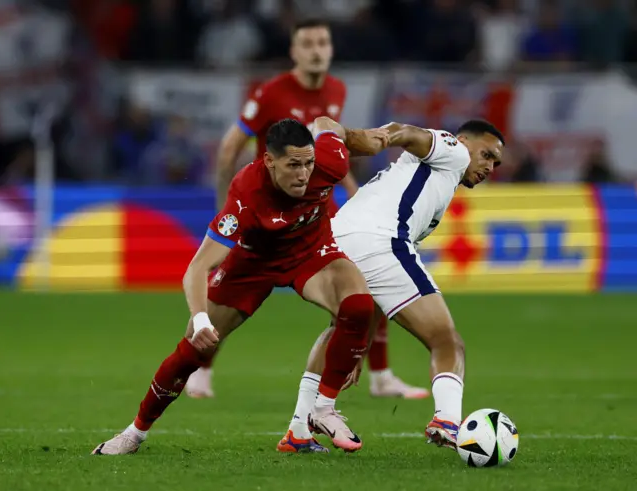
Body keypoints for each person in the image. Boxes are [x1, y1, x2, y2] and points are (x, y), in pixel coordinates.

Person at [92, 118, 390, 455]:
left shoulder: (329, 162)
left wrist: (366, 139)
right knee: (193, 349)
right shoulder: (247, 194)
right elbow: (197, 267)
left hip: (311, 252)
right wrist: (201, 319)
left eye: (308, 164)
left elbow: (325, 125)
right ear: (269, 161)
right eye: (293, 165)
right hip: (252, 266)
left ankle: (322, 410)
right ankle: (134, 433)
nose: (304, 174)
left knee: (360, 304)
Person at [188, 18, 427, 400]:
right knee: (231, 292)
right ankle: (201, 369)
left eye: (322, 43)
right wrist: (226, 211)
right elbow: (231, 148)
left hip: (315, 208)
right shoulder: (270, 93)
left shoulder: (336, 90)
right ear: (294, 52)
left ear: (330, 49)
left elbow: (332, 156)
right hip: (265, 214)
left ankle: (379, 374)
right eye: (308, 43)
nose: (316, 50)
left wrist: (356, 195)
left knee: (369, 274)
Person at [279, 120, 505, 451]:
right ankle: (447, 420)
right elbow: (409, 132)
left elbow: (374, 294)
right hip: (379, 240)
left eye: (496, 163)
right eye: (486, 155)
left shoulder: (430, 178)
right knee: (446, 341)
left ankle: (299, 429)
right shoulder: (452, 150)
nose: (489, 166)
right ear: (463, 141)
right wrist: (377, 138)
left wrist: (359, 342)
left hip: (335, 237)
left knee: (340, 328)